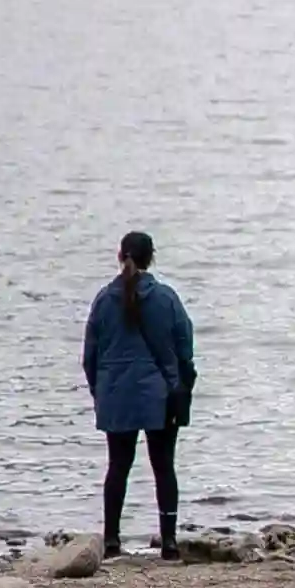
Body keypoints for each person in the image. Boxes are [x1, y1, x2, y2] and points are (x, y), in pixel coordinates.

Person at [82, 231, 196, 560]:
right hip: (159, 394)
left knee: (118, 466)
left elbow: (90, 356)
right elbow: (185, 346)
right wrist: (181, 382)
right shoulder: (166, 298)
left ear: (120, 256)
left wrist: (99, 390)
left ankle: (112, 540)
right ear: (151, 258)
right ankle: (169, 541)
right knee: (164, 467)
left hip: (116, 394)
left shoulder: (104, 300)